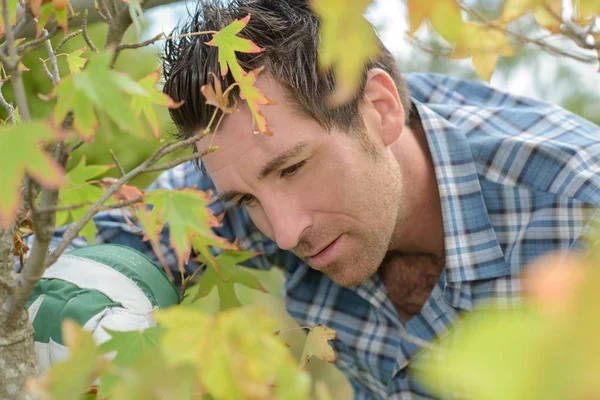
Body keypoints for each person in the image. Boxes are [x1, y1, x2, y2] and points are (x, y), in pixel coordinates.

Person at [32, 0, 600, 398]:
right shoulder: (252, 160)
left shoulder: (578, 209)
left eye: (296, 168)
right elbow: (125, 233)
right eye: (245, 199)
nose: (282, 231)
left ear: (379, 109)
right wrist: (90, 310)